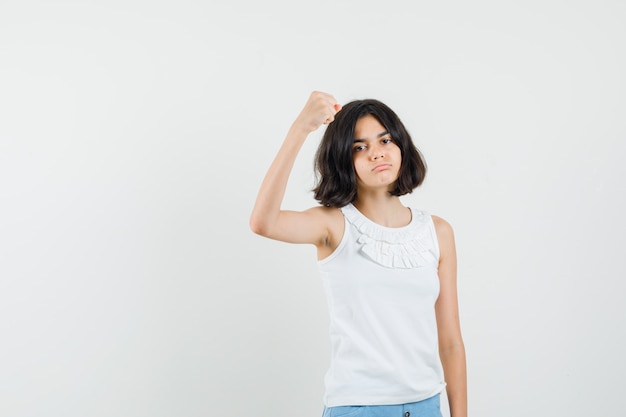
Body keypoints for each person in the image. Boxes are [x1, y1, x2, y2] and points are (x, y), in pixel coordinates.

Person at [250, 91, 467, 417]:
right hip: (358, 406)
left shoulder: (438, 232)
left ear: (401, 147)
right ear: (342, 159)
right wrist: (300, 129)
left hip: (426, 404)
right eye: (360, 147)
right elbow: (263, 222)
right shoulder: (332, 225)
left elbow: (450, 341)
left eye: (385, 141)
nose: (376, 154)